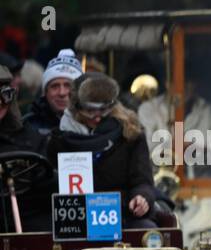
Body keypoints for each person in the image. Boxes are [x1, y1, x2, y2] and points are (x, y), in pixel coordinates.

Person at [46, 73, 160, 229]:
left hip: (123, 213)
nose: (97, 118)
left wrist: (142, 198)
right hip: (74, 220)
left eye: (103, 110)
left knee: (148, 232)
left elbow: (142, 181)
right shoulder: (61, 139)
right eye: (90, 110)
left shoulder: (131, 133)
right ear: (76, 108)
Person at [24, 48, 81, 137]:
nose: (62, 93)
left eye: (68, 85)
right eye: (54, 86)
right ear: (45, 92)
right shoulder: (28, 126)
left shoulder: (92, 123)